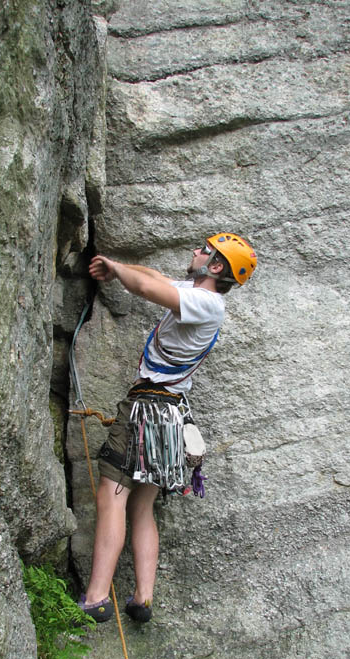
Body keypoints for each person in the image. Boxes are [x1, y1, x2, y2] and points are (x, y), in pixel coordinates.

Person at [78, 233, 257, 623]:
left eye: (204, 250)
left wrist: (118, 271)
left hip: (146, 409)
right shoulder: (195, 292)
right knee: (142, 505)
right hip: (171, 416)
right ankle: (142, 598)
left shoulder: (206, 303)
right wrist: (113, 265)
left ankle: (95, 598)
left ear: (214, 267)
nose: (195, 251)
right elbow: (152, 274)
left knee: (112, 494)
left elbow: (143, 286)